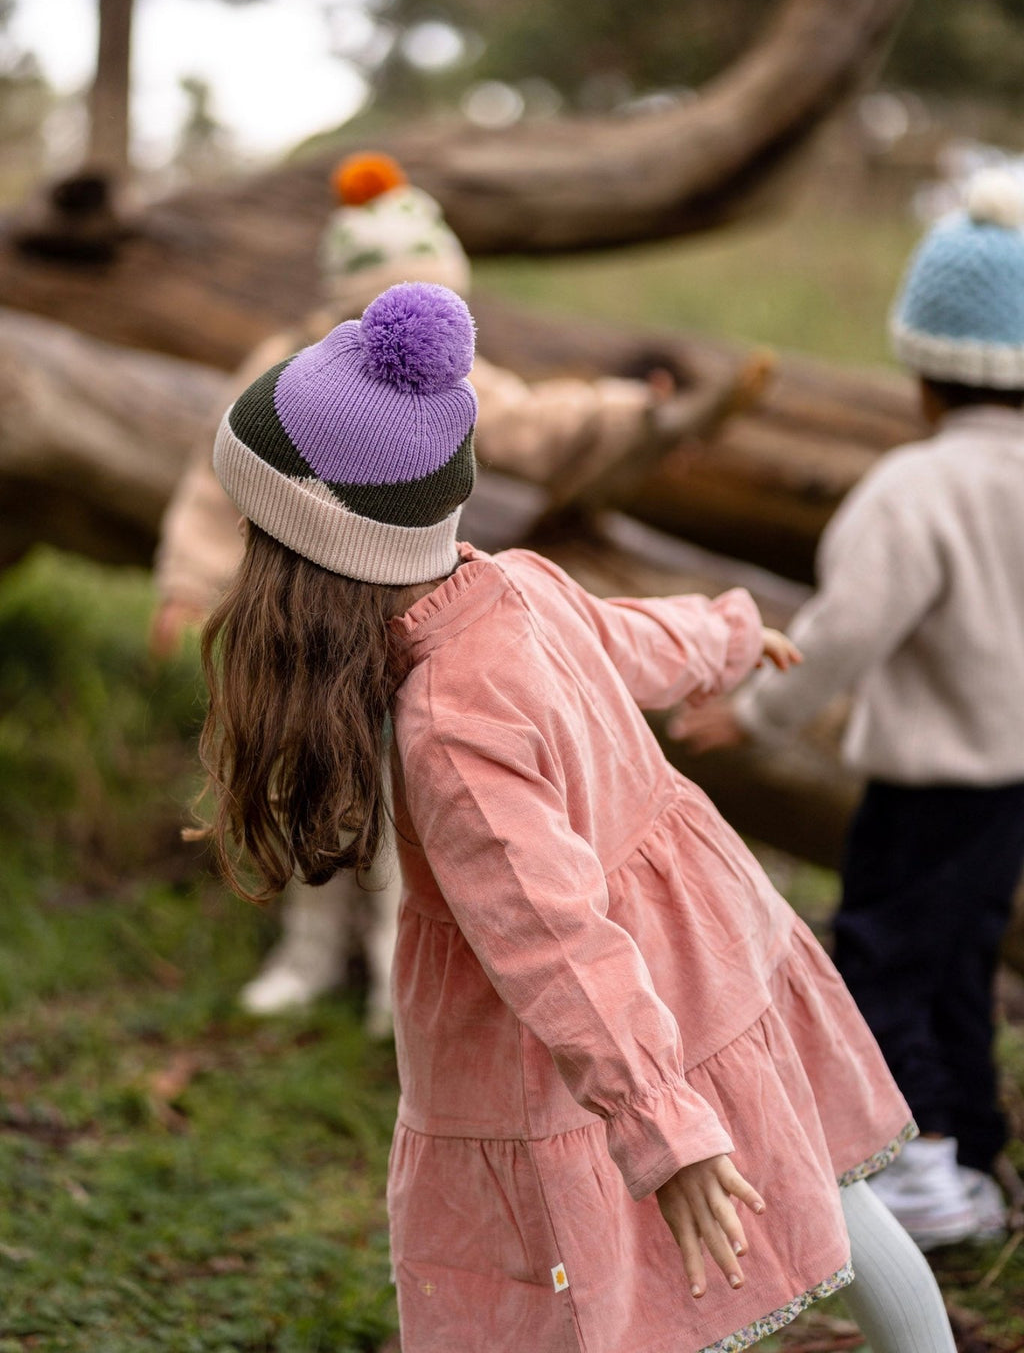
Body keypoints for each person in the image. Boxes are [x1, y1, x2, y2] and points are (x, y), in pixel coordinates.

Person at [192, 279, 957, 1353]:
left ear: (310, 550)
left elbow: (554, 937)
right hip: (698, 944)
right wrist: (727, 636)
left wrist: (659, 1125)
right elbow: (629, 637)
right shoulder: (516, 585)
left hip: (578, 1029)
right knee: (816, 1180)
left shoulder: (448, 727)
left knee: (560, 1279)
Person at [154, 151, 766, 1024]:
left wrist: (630, 413)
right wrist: (188, 577)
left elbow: (531, 419)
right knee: (304, 783)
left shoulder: (448, 384)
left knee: (401, 807)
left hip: (402, 637)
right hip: (303, 639)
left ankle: (395, 974)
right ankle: (308, 951)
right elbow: (219, 479)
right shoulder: (290, 369)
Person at [674, 170, 1024, 1252]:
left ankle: (920, 1177)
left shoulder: (914, 491)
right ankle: (974, 1159)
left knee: (877, 956)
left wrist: (758, 713)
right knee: (959, 959)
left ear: (920, 372)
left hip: (926, 788)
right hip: (1009, 786)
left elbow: (844, 628)